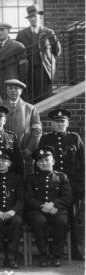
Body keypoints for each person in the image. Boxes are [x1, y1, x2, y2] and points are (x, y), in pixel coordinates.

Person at [39, 109, 84, 260]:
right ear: (51, 124)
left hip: (74, 186)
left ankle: (74, 250)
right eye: (56, 122)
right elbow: (39, 163)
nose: (59, 124)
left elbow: (83, 162)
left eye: (62, 122)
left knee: (73, 218)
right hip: (53, 187)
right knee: (56, 217)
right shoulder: (45, 139)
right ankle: (53, 249)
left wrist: (83, 184)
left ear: (67, 123)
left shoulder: (74, 138)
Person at [25, 146, 72, 267]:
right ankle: (43, 255)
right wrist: (43, 206)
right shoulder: (31, 178)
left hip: (57, 210)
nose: (44, 163)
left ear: (53, 161)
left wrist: (53, 205)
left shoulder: (62, 177)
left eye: (47, 160)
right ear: (37, 164)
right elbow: (28, 198)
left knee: (62, 221)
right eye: (40, 161)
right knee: (38, 222)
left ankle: (56, 256)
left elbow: (67, 197)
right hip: (37, 211)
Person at [0, 148, 24, 269]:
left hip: (13, 211)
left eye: (3, 160)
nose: (0, 163)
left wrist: (13, 211)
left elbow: (21, 198)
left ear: (9, 163)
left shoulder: (17, 178)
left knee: (17, 221)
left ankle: (12, 255)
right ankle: (0, 254)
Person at [16, 5, 60, 101]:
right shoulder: (21, 34)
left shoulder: (49, 32)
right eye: (31, 17)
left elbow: (56, 51)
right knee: (29, 98)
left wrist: (48, 61)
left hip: (44, 70)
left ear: (40, 16)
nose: (33, 19)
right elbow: (17, 52)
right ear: (28, 19)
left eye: (35, 16)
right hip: (28, 70)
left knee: (44, 97)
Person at [3, 79, 42, 171]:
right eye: (10, 88)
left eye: (16, 88)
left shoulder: (30, 109)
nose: (13, 91)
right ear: (7, 90)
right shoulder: (0, 107)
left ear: (21, 91)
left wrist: (30, 149)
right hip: (5, 153)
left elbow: (36, 132)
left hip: (25, 152)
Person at [0, 22, 26, 97]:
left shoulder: (18, 46)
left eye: (2, 30)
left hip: (10, 83)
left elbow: (23, 68)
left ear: (8, 31)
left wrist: (19, 82)